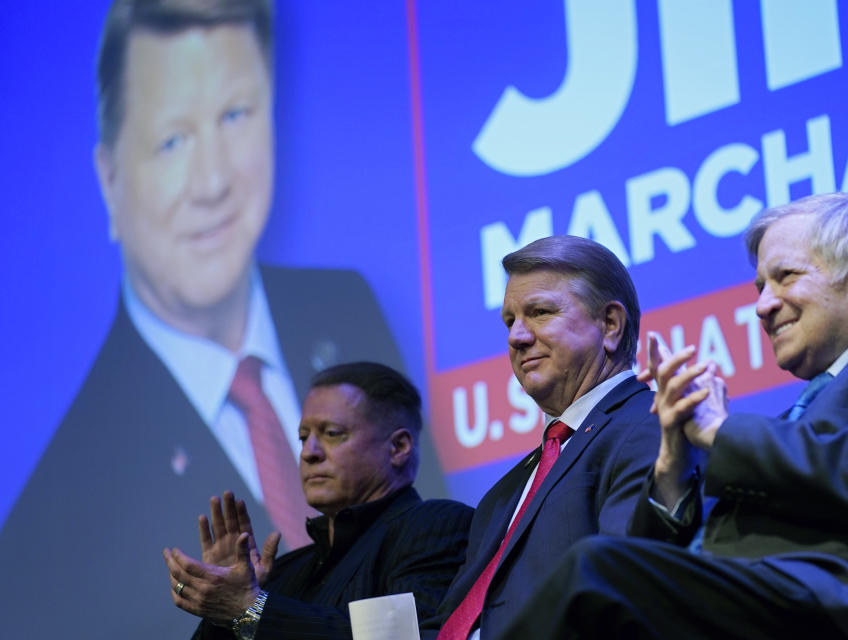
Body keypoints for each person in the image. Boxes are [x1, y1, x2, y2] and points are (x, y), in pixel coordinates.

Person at [0, 1, 441, 637]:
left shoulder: (347, 306)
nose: (211, 181)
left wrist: (253, 608)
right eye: (171, 140)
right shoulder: (50, 518)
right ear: (110, 180)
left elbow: (402, 637)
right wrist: (227, 612)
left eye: (235, 115)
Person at [496, 190, 848, 639]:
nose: (762, 306)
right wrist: (673, 466)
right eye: (761, 286)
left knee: (594, 572)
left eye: (786, 277)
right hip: (774, 607)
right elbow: (665, 558)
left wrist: (721, 430)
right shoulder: (792, 421)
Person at [421, 235, 661, 640]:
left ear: (610, 325)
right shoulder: (502, 495)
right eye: (510, 321)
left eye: (540, 312)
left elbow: (623, 591)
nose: (517, 337)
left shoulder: (648, 425)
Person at [164, 362, 472, 640]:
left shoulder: (435, 526)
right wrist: (223, 607)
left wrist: (251, 607)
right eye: (302, 437)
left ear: (398, 447)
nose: (309, 452)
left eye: (332, 433)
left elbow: (404, 635)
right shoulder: (283, 573)